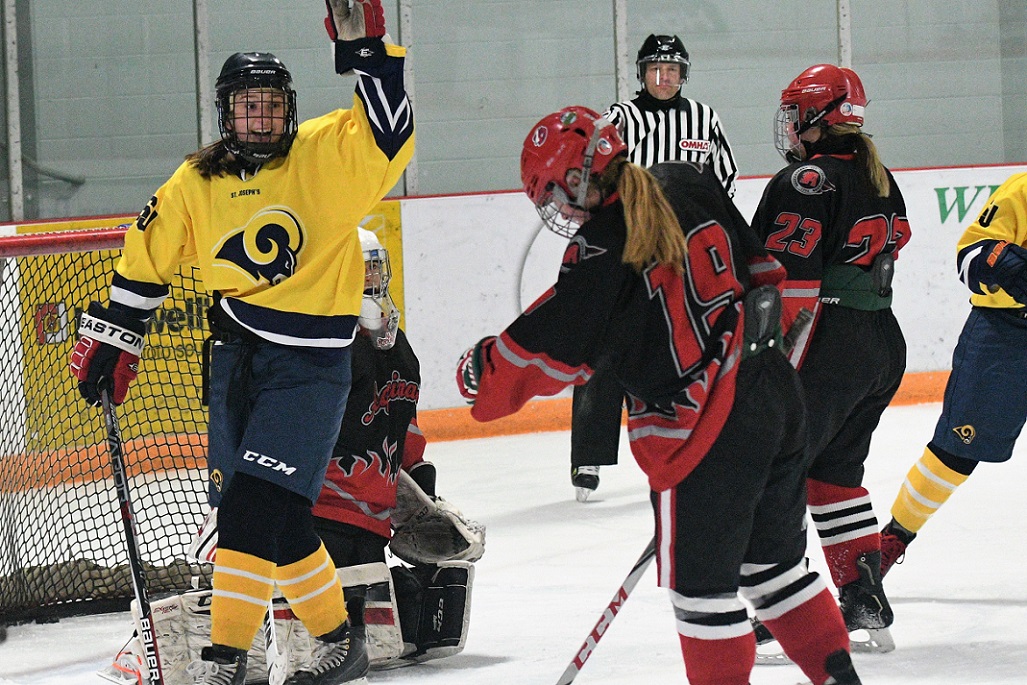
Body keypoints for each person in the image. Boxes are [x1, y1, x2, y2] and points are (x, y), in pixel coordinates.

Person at [69, 2, 414, 683]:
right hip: (233, 356)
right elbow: (149, 253)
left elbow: (386, 132)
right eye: (246, 108)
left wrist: (366, 51)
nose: (260, 119)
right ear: (227, 113)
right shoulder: (197, 179)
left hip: (310, 366)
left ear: (288, 109)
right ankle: (340, 642)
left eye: (270, 107)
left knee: (252, 513)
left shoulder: (321, 155)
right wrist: (116, 331)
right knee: (272, 520)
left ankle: (223, 661)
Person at [456, 106, 860, 685]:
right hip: (775, 395)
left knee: (705, 596)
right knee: (776, 571)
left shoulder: (598, 249)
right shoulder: (690, 182)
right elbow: (766, 272)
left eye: (553, 193)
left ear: (576, 180)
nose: (558, 209)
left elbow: (550, 352)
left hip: (707, 426)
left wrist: (482, 370)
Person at [749, 64, 910, 649]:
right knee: (832, 474)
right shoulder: (877, 173)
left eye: (795, 111)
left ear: (821, 116)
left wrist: (766, 365)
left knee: (776, 473)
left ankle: (785, 604)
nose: (788, 123)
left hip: (828, 345)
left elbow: (789, 285)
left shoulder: (806, 182)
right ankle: (863, 594)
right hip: (879, 343)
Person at [569, 34, 739, 501]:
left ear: (684, 75)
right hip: (628, 250)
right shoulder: (620, 118)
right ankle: (589, 453)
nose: (663, 79)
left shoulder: (704, 118)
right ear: (641, 73)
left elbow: (724, 177)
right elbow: (592, 173)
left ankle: (694, 442)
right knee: (605, 345)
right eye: (655, 70)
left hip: (684, 252)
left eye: (672, 71)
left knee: (689, 344)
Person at [878, 172, 1027, 578]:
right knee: (955, 452)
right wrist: (1012, 269)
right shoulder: (1023, 190)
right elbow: (972, 254)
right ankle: (892, 540)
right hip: (1008, 334)